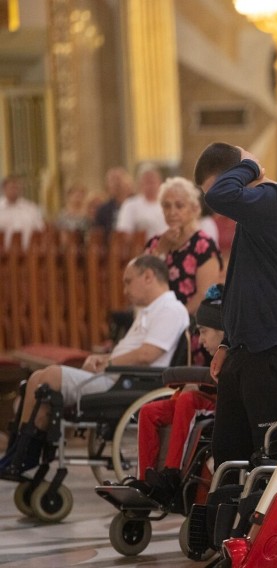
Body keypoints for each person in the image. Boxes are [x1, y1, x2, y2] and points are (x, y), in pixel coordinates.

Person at [0, 255, 188, 478]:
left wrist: (108, 362)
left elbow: (148, 354)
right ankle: (20, 453)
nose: (125, 289)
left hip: (131, 384)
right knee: (34, 382)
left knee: (48, 376)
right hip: (119, 378)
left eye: (128, 281)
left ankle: (21, 455)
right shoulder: (150, 310)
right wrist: (104, 357)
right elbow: (134, 352)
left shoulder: (170, 310)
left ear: (148, 276)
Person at [195, 142, 277, 466]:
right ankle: (228, 517)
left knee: (268, 457)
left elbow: (220, 195)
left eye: (219, 185)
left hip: (276, 348)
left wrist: (250, 166)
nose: (215, 207)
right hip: (247, 350)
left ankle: (270, 518)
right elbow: (242, 281)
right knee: (227, 455)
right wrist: (228, 341)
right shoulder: (254, 214)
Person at [133, 284, 223, 505]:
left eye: (204, 332)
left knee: (188, 401)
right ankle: (146, 478)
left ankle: (172, 475)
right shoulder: (215, 356)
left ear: (222, 331)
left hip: (226, 406)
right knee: (150, 411)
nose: (200, 340)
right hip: (209, 399)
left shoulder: (232, 353)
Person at [144, 176, 223, 317]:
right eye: (166, 206)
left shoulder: (203, 244)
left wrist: (175, 321)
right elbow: (144, 285)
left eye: (179, 206)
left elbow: (205, 295)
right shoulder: (156, 243)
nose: (172, 212)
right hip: (157, 319)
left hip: (190, 323)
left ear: (194, 209)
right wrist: (161, 250)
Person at [115, 163, 168, 239]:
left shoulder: (168, 204)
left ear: (160, 182)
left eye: (153, 181)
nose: (151, 185)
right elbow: (123, 232)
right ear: (140, 184)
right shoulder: (130, 205)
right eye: (147, 181)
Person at [0, 175, 45, 249]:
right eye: (11, 188)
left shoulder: (31, 208)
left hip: (28, 251)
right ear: (4, 189)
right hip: (3, 253)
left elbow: (40, 229)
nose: (14, 191)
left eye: (17, 188)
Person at [92, 166, 134, 237]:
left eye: (118, 179)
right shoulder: (103, 210)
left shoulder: (137, 204)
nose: (116, 184)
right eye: (112, 180)